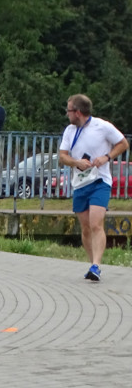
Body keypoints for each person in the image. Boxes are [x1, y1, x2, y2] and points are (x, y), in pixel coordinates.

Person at [58, 94, 129, 282]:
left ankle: (96, 265)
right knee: (86, 227)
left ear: (78, 112)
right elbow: (62, 156)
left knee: (96, 223)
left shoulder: (102, 126)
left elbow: (123, 143)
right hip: (80, 184)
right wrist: (76, 162)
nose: (67, 114)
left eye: (69, 110)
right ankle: (92, 265)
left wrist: (107, 156)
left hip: (100, 181)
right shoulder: (69, 131)